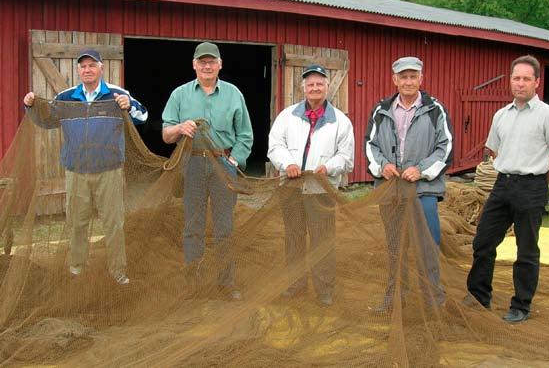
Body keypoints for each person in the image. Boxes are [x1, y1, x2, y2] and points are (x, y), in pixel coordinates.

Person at [23, 48, 148, 285]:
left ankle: (117, 272)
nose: (87, 69)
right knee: (77, 223)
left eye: (92, 65)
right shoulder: (66, 97)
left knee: (113, 224)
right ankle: (77, 269)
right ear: (78, 70)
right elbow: (46, 121)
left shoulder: (117, 94)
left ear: (101, 68)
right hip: (77, 172)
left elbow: (143, 116)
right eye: (83, 66)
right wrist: (30, 106)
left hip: (109, 171)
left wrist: (129, 105)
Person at [466, 55, 549, 323]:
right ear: (510, 81)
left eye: (526, 79)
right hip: (502, 185)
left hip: (532, 186)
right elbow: (495, 148)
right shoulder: (501, 115)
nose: (520, 83)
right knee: (483, 242)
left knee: (526, 249)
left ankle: (520, 305)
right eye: (516, 78)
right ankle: (478, 296)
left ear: (537, 82)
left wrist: (539, 183)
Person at [162, 42, 253, 300]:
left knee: (224, 227)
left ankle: (226, 283)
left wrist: (235, 159)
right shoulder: (180, 94)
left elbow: (245, 134)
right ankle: (195, 283)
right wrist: (180, 128)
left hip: (223, 164)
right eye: (202, 61)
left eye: (211, 61)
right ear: (194, 65)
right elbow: (166, 134)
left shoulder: (234, 94)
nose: (207, 65)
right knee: (193, 226)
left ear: (220, 64)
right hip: (192, 165)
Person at [365, 56, 453, 312]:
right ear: (394, 80)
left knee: (427, 246)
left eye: (413, 76)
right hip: (391, 191)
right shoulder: (381, 110)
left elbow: (445, 148)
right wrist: (382, 166)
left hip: (423, 191)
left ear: (421, 79)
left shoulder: (435, 109)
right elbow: (370, 146)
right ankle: (395, 299)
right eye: (403, 77)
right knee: (395, 247)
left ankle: (433, 301)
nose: (408, 81)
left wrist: (422, 170)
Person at [268, 64, 354, 306]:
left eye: (319, 84)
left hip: (321, 191)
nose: (314, 88)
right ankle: (296, 285)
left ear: (327, 88)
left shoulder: (341, 122)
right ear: (303, 88)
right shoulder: (287, 116)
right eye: (310, 84)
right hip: (291, 188)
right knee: (294, 239)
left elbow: (346, 158)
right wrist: (287, 164)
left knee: (322, 241)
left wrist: (328, 167)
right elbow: (275, 146)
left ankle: (324, 290)